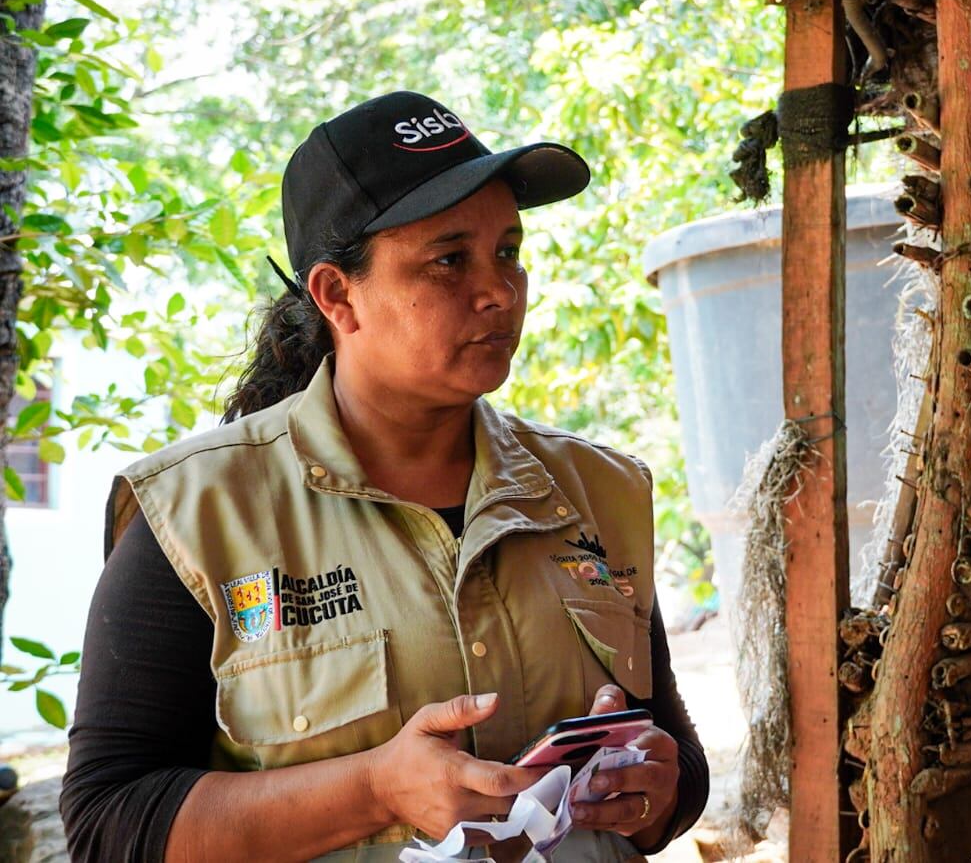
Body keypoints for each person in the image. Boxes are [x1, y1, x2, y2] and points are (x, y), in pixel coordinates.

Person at [59, 91, 707, 862]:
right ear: (337, 295)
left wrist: (655, 792)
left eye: (509, 250)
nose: (500, 290)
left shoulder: (598, 489)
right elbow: (107, 822)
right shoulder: (196, 514)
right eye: (449, 259)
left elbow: (673, 761)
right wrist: (374, 790)